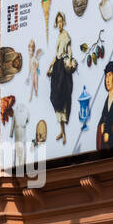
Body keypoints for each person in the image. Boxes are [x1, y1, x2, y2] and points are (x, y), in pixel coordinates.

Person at [47, 11, 75, 143]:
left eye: (60, 21)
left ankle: (64, 133)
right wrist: (49, 67)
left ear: (63, 22)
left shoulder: (66, 35)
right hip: (57, 68)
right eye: (57, 22)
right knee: (55, 96)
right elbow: (56, 54)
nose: (59, 24)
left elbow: (69, 51)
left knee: (63, 96)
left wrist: (69, 61)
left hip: (63, 68)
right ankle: (62, 131)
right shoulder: (58, 36)